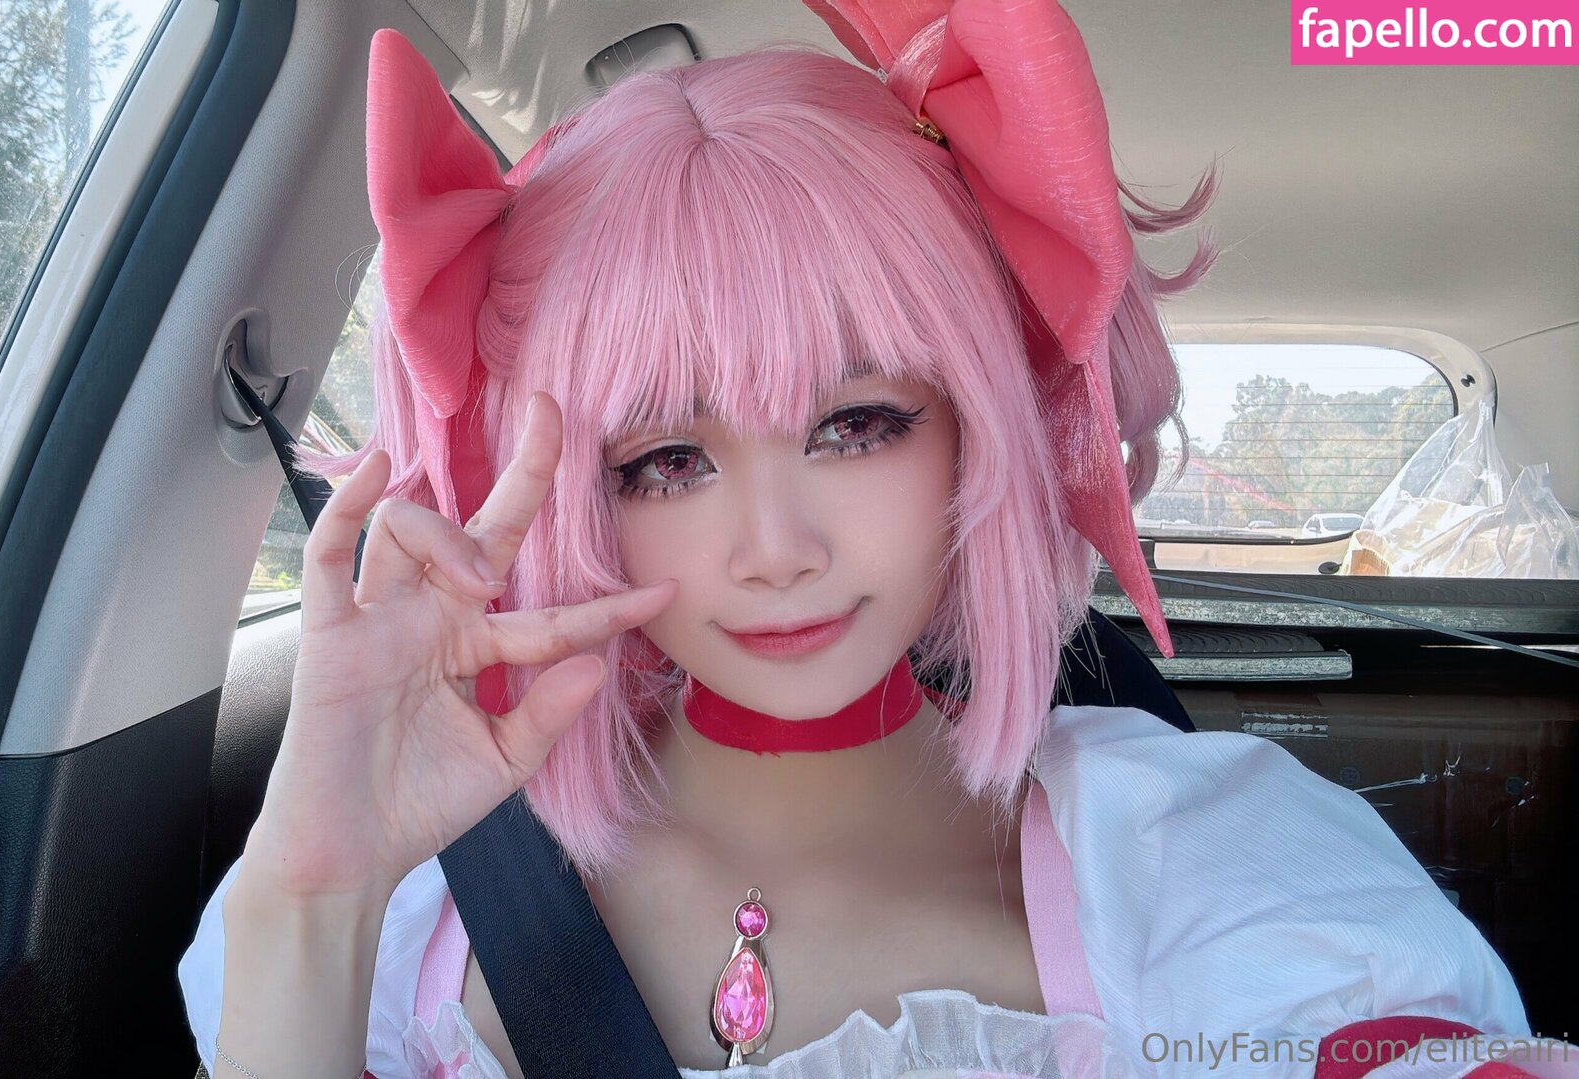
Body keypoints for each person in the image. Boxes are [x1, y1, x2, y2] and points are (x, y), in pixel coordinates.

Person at [178, 1, 1562, 1075]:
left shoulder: (1209, 875)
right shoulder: (415, 918)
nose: (776, 548)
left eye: (855, 425)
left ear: (977, 429)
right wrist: (312, 901)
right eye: (668, 460)